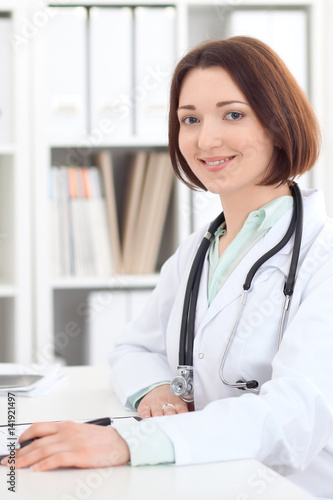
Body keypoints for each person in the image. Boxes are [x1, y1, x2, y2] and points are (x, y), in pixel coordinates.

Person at [3, 36, 333, 499]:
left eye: (232, 114)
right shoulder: (202, 248)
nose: (205, 139)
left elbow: (296, 416)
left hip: (292, 488)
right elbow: (133, 346)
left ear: (279, 124)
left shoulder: (322, 255)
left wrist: (131, 440)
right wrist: (157, 391)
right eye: (189, 119)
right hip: (206, 477)